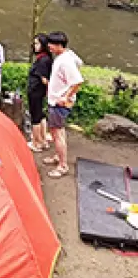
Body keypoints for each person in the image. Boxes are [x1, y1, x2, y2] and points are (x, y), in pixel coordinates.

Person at [43, 31, 84, 179]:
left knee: (58, 132)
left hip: (59, 104)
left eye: (51, 45)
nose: (49, 47)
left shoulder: (65, 61)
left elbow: (77, 81)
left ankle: (63, 165)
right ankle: (57, 156)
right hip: (55, 100)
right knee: (55, 132)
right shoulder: (65, 56)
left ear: (60, 45)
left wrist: (65, 97)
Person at [27, 34, 54, 152]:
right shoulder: (46, 58)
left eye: (37, 43)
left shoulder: (43, 60)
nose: (35, 46)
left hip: (36, 91)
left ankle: (36, 143)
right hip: (38, 91)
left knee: (35, 117)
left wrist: (51, 91)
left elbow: (45, 80)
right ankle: (43, 140)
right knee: (41, 115)